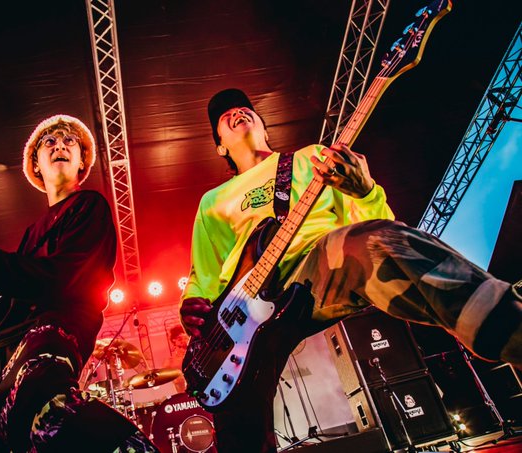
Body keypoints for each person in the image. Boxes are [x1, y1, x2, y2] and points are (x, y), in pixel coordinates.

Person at [179, 88, 522, 453]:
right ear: (220, 146)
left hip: (317, 267)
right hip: (244, 309)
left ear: (264, 127)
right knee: (235, 411)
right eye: (224, 116)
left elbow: (381, 226)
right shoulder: (211, 202)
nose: (237, 112)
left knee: (375, 242)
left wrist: (365, 192)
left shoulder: (311, 158)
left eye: (245, 108)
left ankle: (507, 324)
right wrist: (192, 304)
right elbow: (204, 274)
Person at [0, 114, 158, 452]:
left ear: (82, 162)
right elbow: (12, 293)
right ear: (35, 166)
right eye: (49, 142)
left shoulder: (89, 206)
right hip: (1, 355)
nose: (60, 145)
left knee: (44, 408)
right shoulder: (32, 232)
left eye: (70, 141)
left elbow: (60, 279)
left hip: (51, 335)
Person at [162, 324, 189, 393]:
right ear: (174, 341)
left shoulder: (196, 354)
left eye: (185, 338)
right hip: (183, 395)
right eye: (180, 339)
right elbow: (162, 380)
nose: (184, 341)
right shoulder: (169, 362)